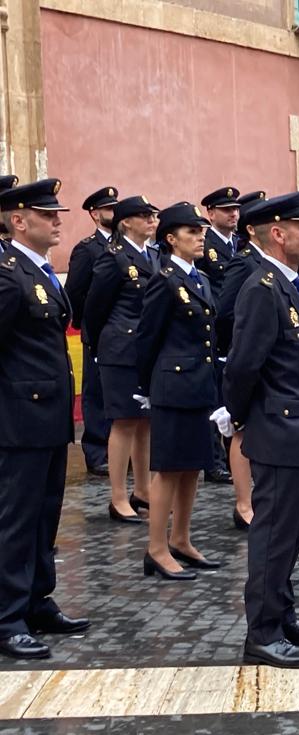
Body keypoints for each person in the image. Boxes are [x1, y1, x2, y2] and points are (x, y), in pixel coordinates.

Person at [220, 191, 299, 669]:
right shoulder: (262, 288)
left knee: (288, 533)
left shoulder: (287, 283)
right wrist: (239, 414)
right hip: (276, 425)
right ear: (277, 233)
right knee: (272, 532)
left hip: (292, 423)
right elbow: (245, 365)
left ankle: (282, 613)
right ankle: (262, 632)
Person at [0, 177, 91, 661]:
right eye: (47, 213)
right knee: (16, 520)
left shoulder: (34, 272)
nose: (58, 219)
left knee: (44, 515)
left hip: (50, 418)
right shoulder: (6, 272)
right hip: (18, 418)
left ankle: (37, 599)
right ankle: (8, 616)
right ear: (18, 220)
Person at [134, 203, 222, 580]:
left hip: (198, 384)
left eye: (201, 231)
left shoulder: (198, 279)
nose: (200, 236)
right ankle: (156, 548)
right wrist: (148, 387)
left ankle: (181, 539)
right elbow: (147, 338)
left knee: (192, 468)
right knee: (169, 469)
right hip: (172, 386)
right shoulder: (165, 279)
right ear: (171, 239)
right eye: (191, 232)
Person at [84, 195, 160, 524]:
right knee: (124, 422)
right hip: (120, 349)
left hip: (145, 349)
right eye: (144, 216)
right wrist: (101, 346)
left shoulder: (153, 256)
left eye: (153, 215)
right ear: (126, 222)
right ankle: (117, 497)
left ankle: (142, 490)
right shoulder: (112, 258)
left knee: (144, 422)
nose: (152, 221)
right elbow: (94, 308)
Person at [214, 191, 266, 531]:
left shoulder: (267, 261)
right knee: (241, 430)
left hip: (265, 355)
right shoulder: (244, 261)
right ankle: (244, 504)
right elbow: (226, 311)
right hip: (242, 351)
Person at [65, 186, 119, 477]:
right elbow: (74, 292)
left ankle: (123, 451)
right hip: (98, 331)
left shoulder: (125, 247)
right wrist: (91, 322)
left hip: (124, 333)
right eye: (108, 209)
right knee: (96, 393)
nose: (115, 212)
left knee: (121, 392)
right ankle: (97, 450)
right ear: (95, 214)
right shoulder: (87, 249)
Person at [196, 186, 241, 486]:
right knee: (214, 399)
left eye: (236, 209)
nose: (233, 214)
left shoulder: (240, 243)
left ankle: (231, 455)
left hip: (239, 329)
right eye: (226, 210)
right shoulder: (205, 244)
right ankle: (214, 462)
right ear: (211, 213)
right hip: (216, 331)